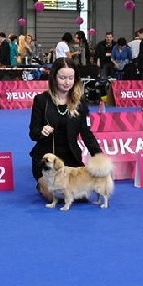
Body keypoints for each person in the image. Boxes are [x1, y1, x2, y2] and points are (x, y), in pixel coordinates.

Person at [28, 57, 103, 201]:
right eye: (62, 78)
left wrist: (99, 156)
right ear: (54, 77)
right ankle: (41, 184)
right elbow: (33, 133)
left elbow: (86, 133)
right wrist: (41, 132)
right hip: (47, 160)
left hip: (71, 159)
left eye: (71, 78)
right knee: (53, 196)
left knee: (82, 197)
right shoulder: (41, 100)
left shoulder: (80, 102)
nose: (67, 82)